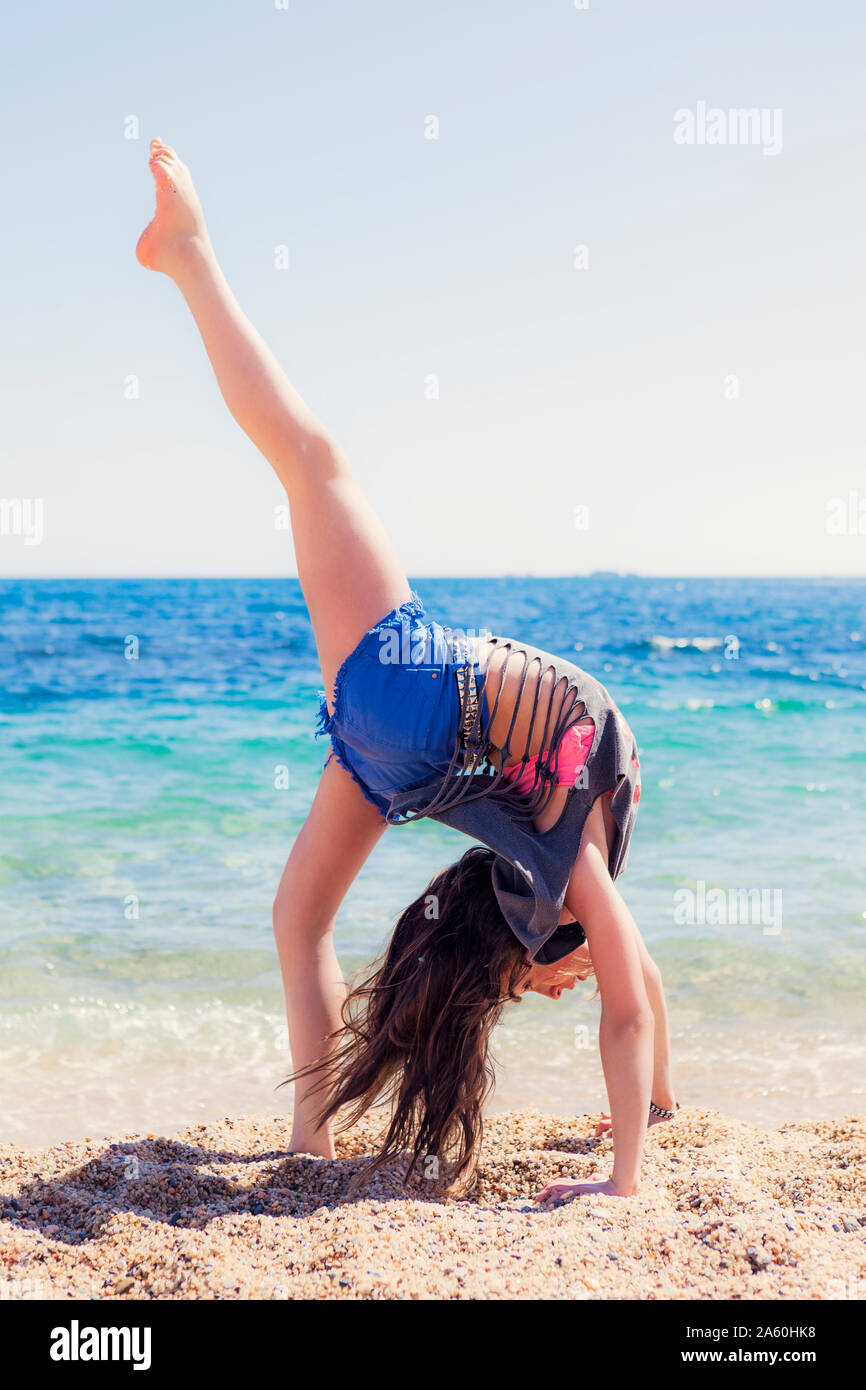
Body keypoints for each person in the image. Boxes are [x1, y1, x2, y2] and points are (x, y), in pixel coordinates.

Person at [136, 138, 677, 1202]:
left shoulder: (573, 866)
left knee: (310, 457)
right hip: (393, 754)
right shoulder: (568, 867)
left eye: (535, 987)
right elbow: (638, 991)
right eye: (555, 985)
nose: (565, 990)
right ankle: (309, 1137)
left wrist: (626, 1182)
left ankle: (189, 255)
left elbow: (631, 1001)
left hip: (421, 691)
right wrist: (658, 1114)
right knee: (298, 918)